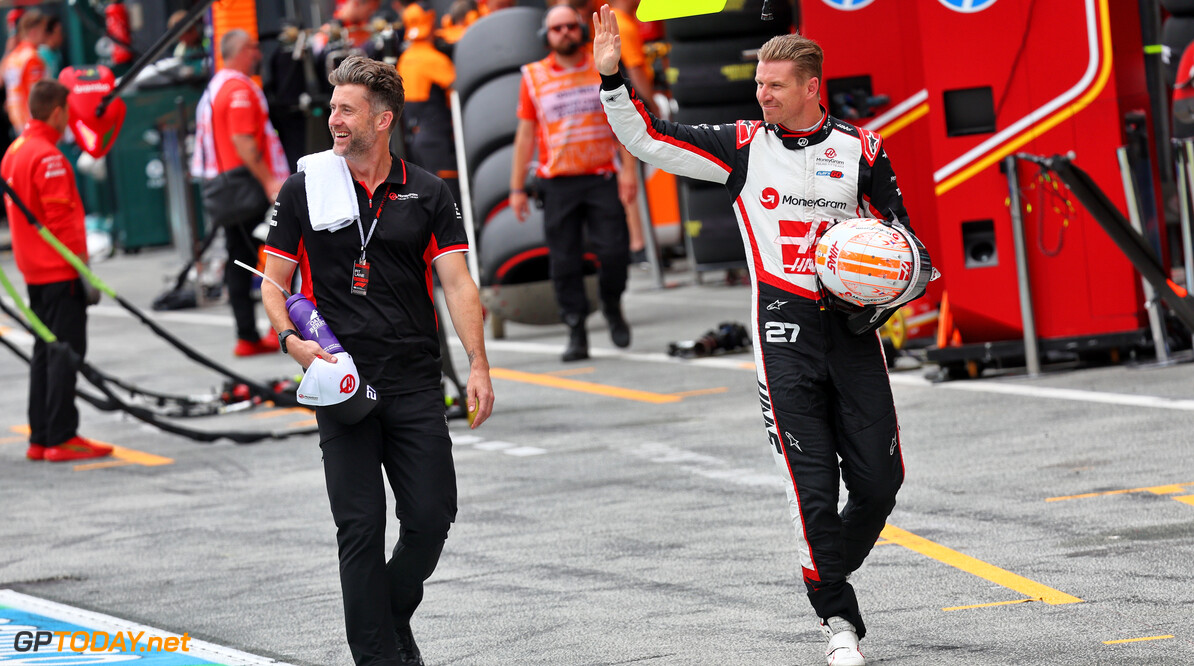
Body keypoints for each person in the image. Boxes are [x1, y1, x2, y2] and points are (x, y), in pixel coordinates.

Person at [596, 9, 922, 665]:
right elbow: (650, 139)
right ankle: (837, 619)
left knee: (881, 482)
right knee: (810, 487)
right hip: (783, 335)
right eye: (758, 84)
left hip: (853, 334)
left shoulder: (864, 150)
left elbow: (910, 249)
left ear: (811, 86)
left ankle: (824, 572)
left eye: (774, 86)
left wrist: (883, 302)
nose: (761, 95)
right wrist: (612, 78)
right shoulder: (743, 145)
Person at [261, 55, 494, 666]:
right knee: (359, 528)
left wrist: (478, 365)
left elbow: (459, 284)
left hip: (414, 378)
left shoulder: (429, 190)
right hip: (339, 380)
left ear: (383, 118)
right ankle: (378, 655)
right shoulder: (304, 187)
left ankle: (390, 611)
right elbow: (273, 283)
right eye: (332, 107)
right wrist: (291, 342)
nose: (332, 118)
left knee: (431, 516)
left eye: (346, 109)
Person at [510, 4, 638, 362]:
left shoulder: (605, 65)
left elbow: (625, 121)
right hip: (557, 183)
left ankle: (612, 305)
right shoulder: (532, 75)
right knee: (564, 262)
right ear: (546, 36)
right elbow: (525, 134)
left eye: (570, 26)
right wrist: (517, 187)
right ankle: (576, 329)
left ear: (580, 30)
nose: (565, 33)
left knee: (614, 252)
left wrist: (628, 171)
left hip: (601, 176)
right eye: (557, 29)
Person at [3, 80, 113, 463]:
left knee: (44, 353)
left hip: (33, 273)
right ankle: (62, 436)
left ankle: (42, 436)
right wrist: (85, 273)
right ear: (57, 112)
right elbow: (61, 222)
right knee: (66, 352)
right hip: (58, 272)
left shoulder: (15, 150)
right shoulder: (47, 156)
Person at [191, 29, 291, 357]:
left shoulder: (217, 86)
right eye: (253, 48)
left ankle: (248, 334)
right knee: (250, 258)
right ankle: (249, 335)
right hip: (241, 185)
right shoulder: (237, 89)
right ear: (240, 51)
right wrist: (269, 183)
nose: (258, 54)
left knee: (241, 257)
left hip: (227, 185)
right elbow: (243, 141)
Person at [397, 3, 460, 204]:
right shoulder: (435, 60)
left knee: (426, 197)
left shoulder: (404, 59)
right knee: (448, 197)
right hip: (436, 139)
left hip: (415, 139)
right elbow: (457, 93)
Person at [1, 10, 47, 134]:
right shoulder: (32, 57)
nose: (45, 35)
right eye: (43, 30)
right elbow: (38, 95)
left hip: (18, 123)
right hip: (34, 124)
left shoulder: (12, 56)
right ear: (33, 32)